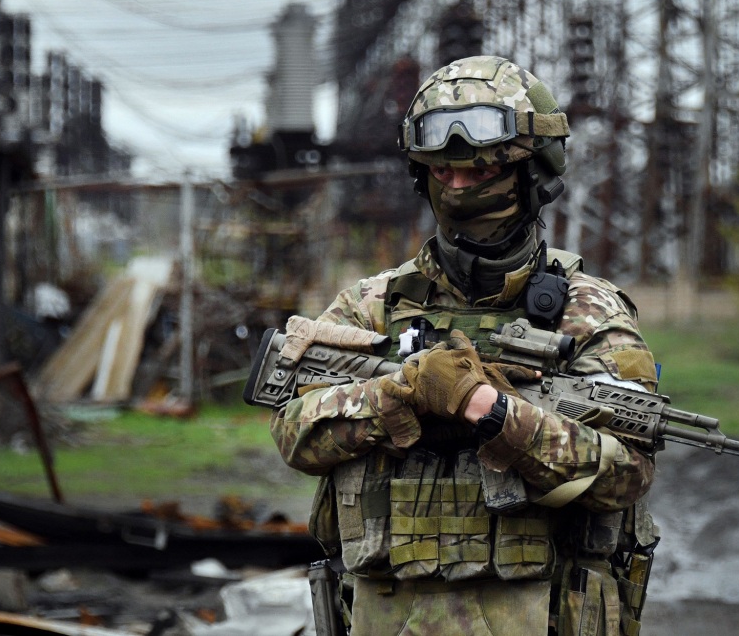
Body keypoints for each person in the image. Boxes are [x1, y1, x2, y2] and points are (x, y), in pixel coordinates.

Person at [269, 55, 660, 636]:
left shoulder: (590, 313)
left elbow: (625, 471)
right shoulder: (372, 305)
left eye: (479, 175)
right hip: (386, 612)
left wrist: (492, 411)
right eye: (444, 174)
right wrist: (399, 395)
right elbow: (294, 430)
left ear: (532, 172)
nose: (458, 189)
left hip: (539, 614)